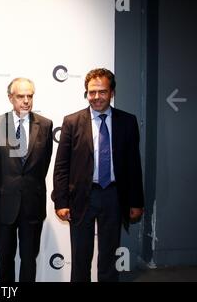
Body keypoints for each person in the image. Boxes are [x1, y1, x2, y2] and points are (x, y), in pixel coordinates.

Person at [52, 68, 144, 282]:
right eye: (91, 92)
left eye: (102, 92)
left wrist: (136, 201)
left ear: (111, 92)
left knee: (109, 256)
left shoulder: (127, 121)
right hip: (82, 197)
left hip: (113, 195)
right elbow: (61, 166)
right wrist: (61, 201)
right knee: (80, 256)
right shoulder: (72, 121)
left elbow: (133, 165)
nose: (96, 97)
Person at [0, 77, 53, 282]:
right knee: (5, 259)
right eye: (20, 96)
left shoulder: (45, 125)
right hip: (3, 205)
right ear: (10, 98)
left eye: (30, 96)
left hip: (32, 205)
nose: (26, 100)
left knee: (29, 259)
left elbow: (43, 164)